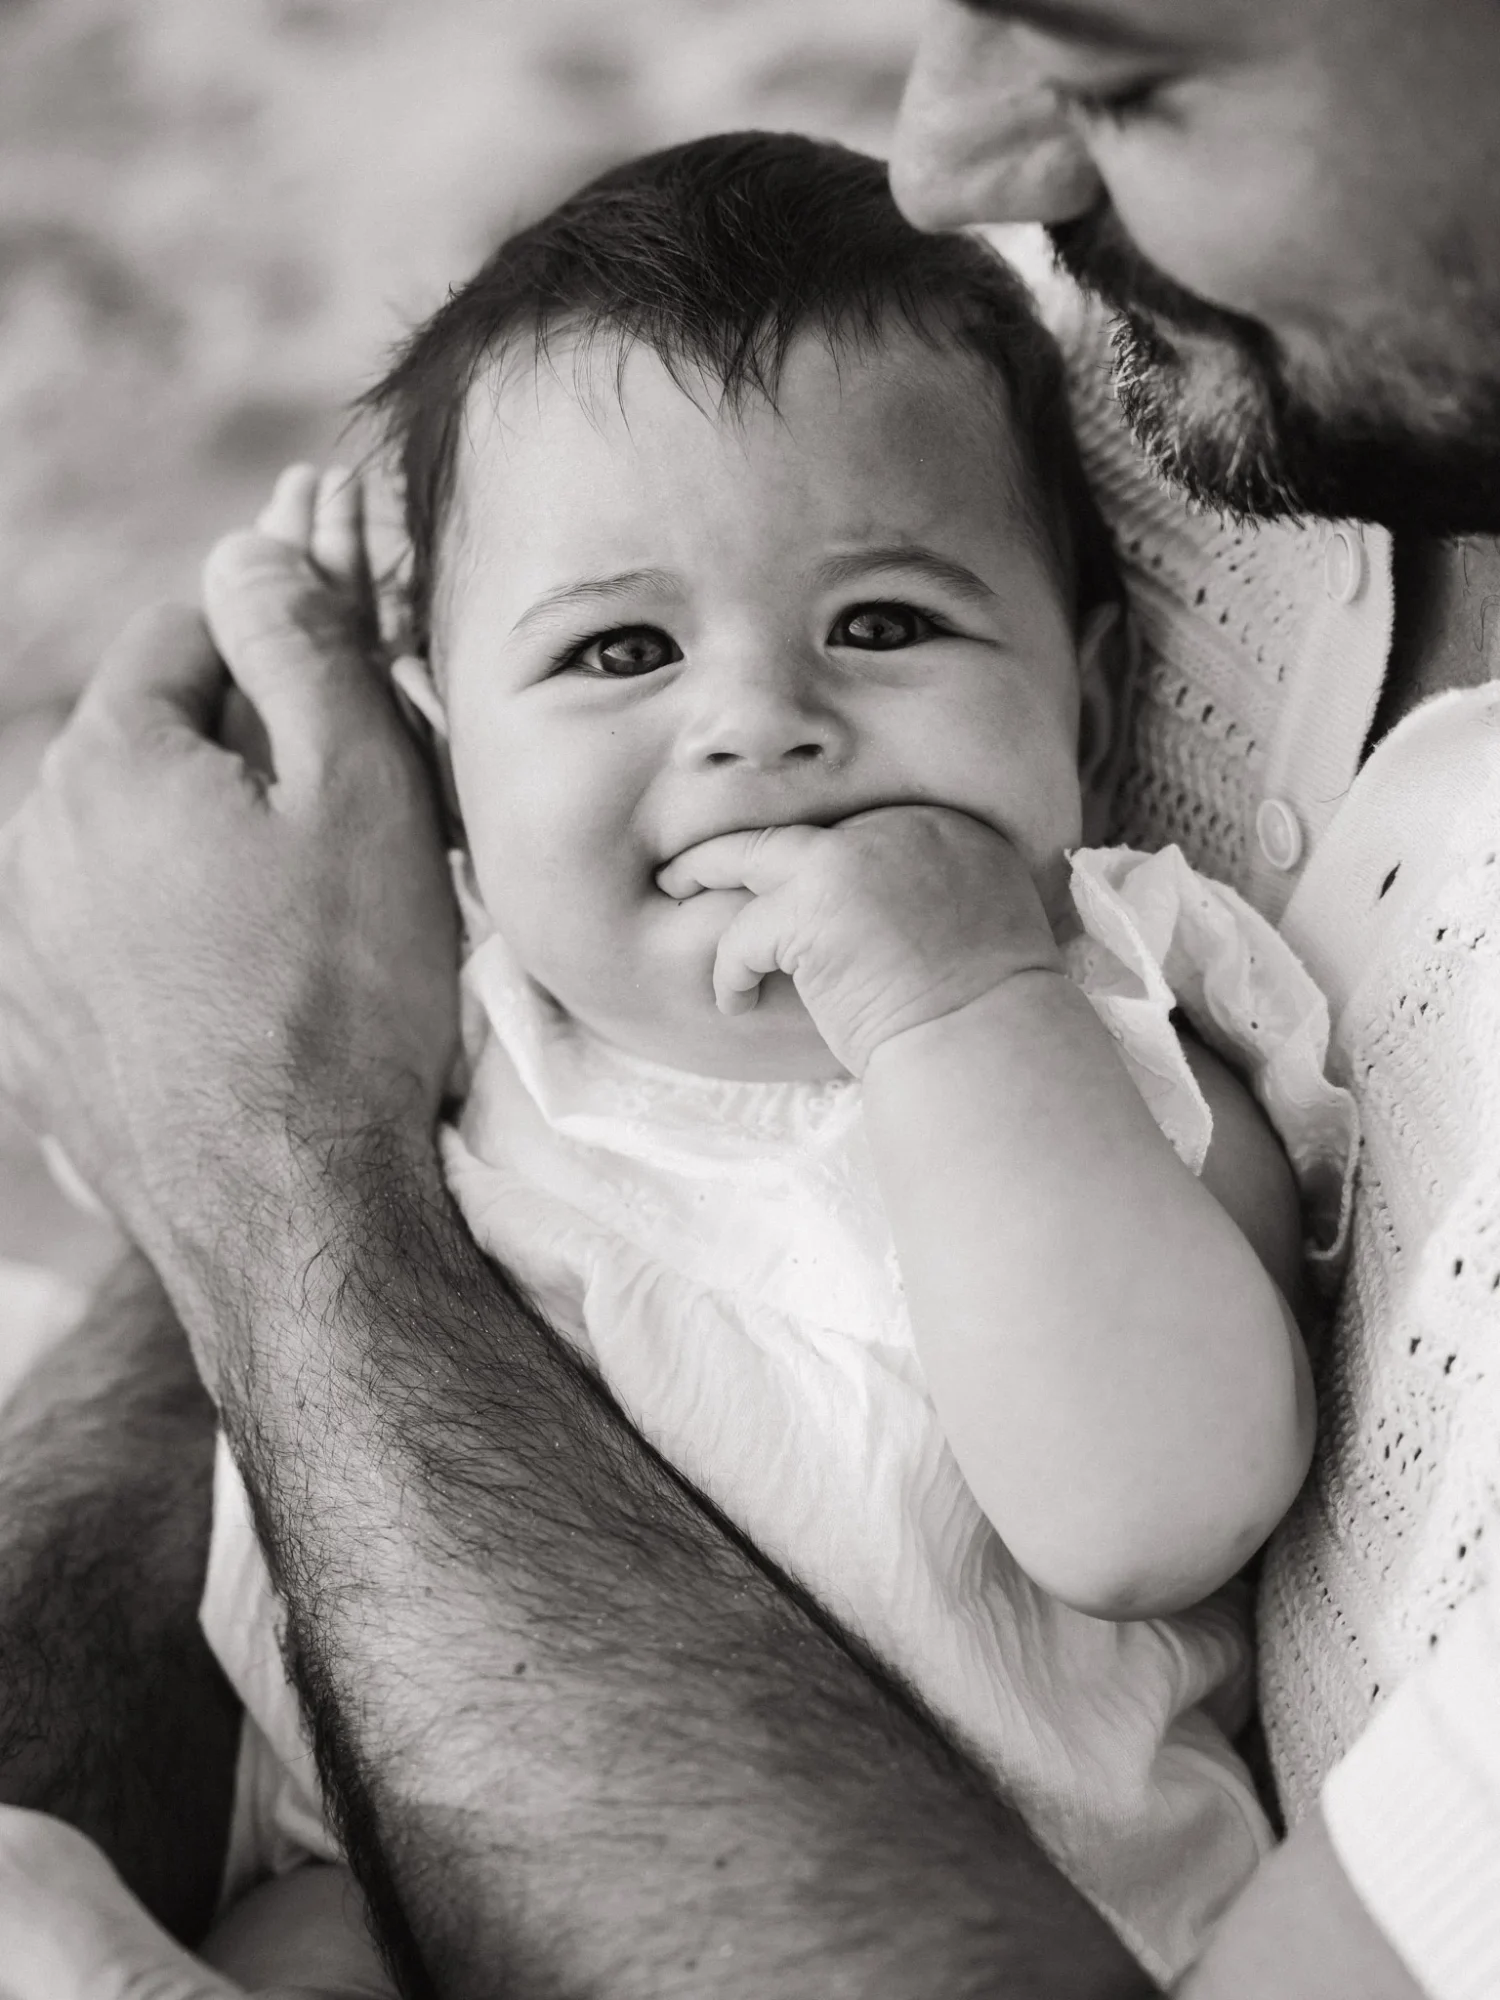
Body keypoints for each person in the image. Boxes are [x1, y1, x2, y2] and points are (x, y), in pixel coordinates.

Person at [0, 1, 1495, 1995]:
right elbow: (169, 1236)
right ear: (449, 747)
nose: (762, 723)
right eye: (617, 653)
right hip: (375, 1862)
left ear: (1093, 701)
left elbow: (1153, 1511)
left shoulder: (1101, 1005)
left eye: (883, 624)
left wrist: (952, 999)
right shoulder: (459, 990)